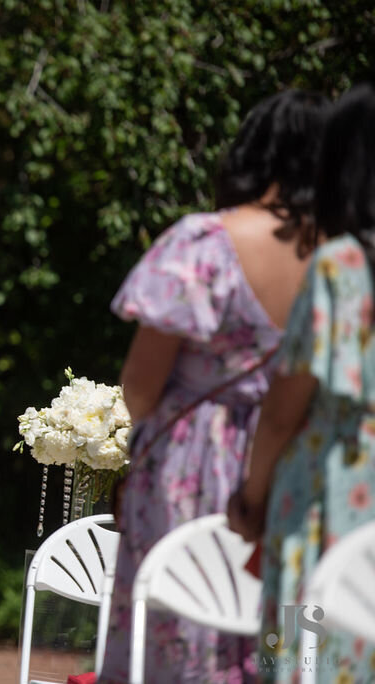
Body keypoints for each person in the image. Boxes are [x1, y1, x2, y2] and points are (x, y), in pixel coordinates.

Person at [97, 89, 329, 683]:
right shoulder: (340, 262)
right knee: (279, 638)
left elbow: (141, 390)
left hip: (189, 469)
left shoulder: (205, 243)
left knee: (182, 632)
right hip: (290, 474)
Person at [228, 83, 375, 684]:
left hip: (325, 490)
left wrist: (252, 497)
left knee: (293, 656)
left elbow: (286, 408)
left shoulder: (341, 265)